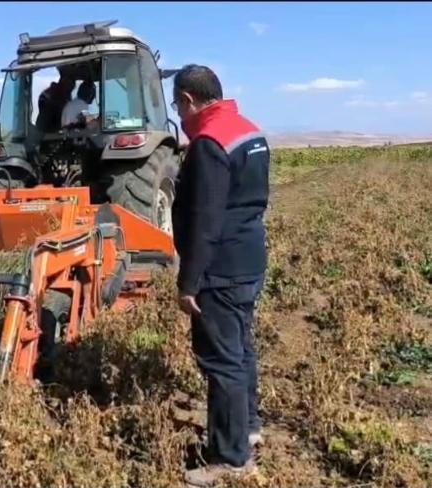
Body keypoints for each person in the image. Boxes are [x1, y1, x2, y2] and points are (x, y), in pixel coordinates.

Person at [169, 64, 270, 487]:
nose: (179, 114)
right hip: (249, 258)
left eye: (178, 106)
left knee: (222, 360)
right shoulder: (249, 131)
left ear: (188, 100)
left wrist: (189, 282)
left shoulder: (209, 143)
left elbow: (205, 222)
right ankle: (248, 428)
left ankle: (230, 458)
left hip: (221, 268)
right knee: (240, 347)